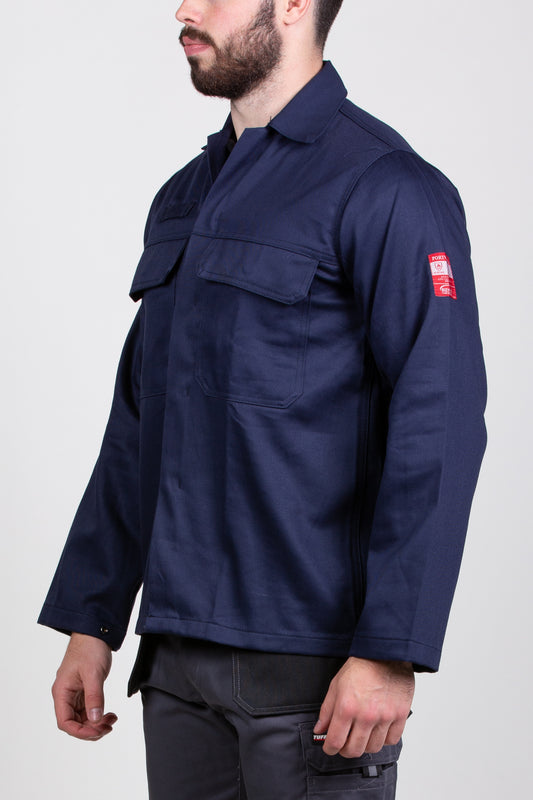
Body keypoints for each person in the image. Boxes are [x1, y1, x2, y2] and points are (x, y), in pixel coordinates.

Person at [38, 1, 487, 798]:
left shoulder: (387, 186)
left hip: (313, 671)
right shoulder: (184, 197)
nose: (185, 9)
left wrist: (390, 647)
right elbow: (140, 422)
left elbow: (439, 420)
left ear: (291, 5)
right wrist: (92, 616)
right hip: (176, 667)